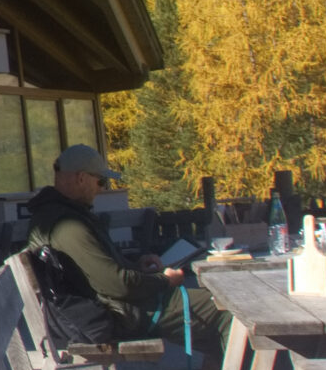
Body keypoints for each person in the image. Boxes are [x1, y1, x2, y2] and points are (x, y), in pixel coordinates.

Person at [26, 144, 229, 351]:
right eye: (101, 180)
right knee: (226, 309)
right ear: (81, 178)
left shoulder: (54, 217)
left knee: (212, 324)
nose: (102, 188)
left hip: (115, 309)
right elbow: (117, 285)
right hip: (124, 314)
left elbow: (96, 274)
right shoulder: (67, 226)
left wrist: (136, 266)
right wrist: (164, 281)